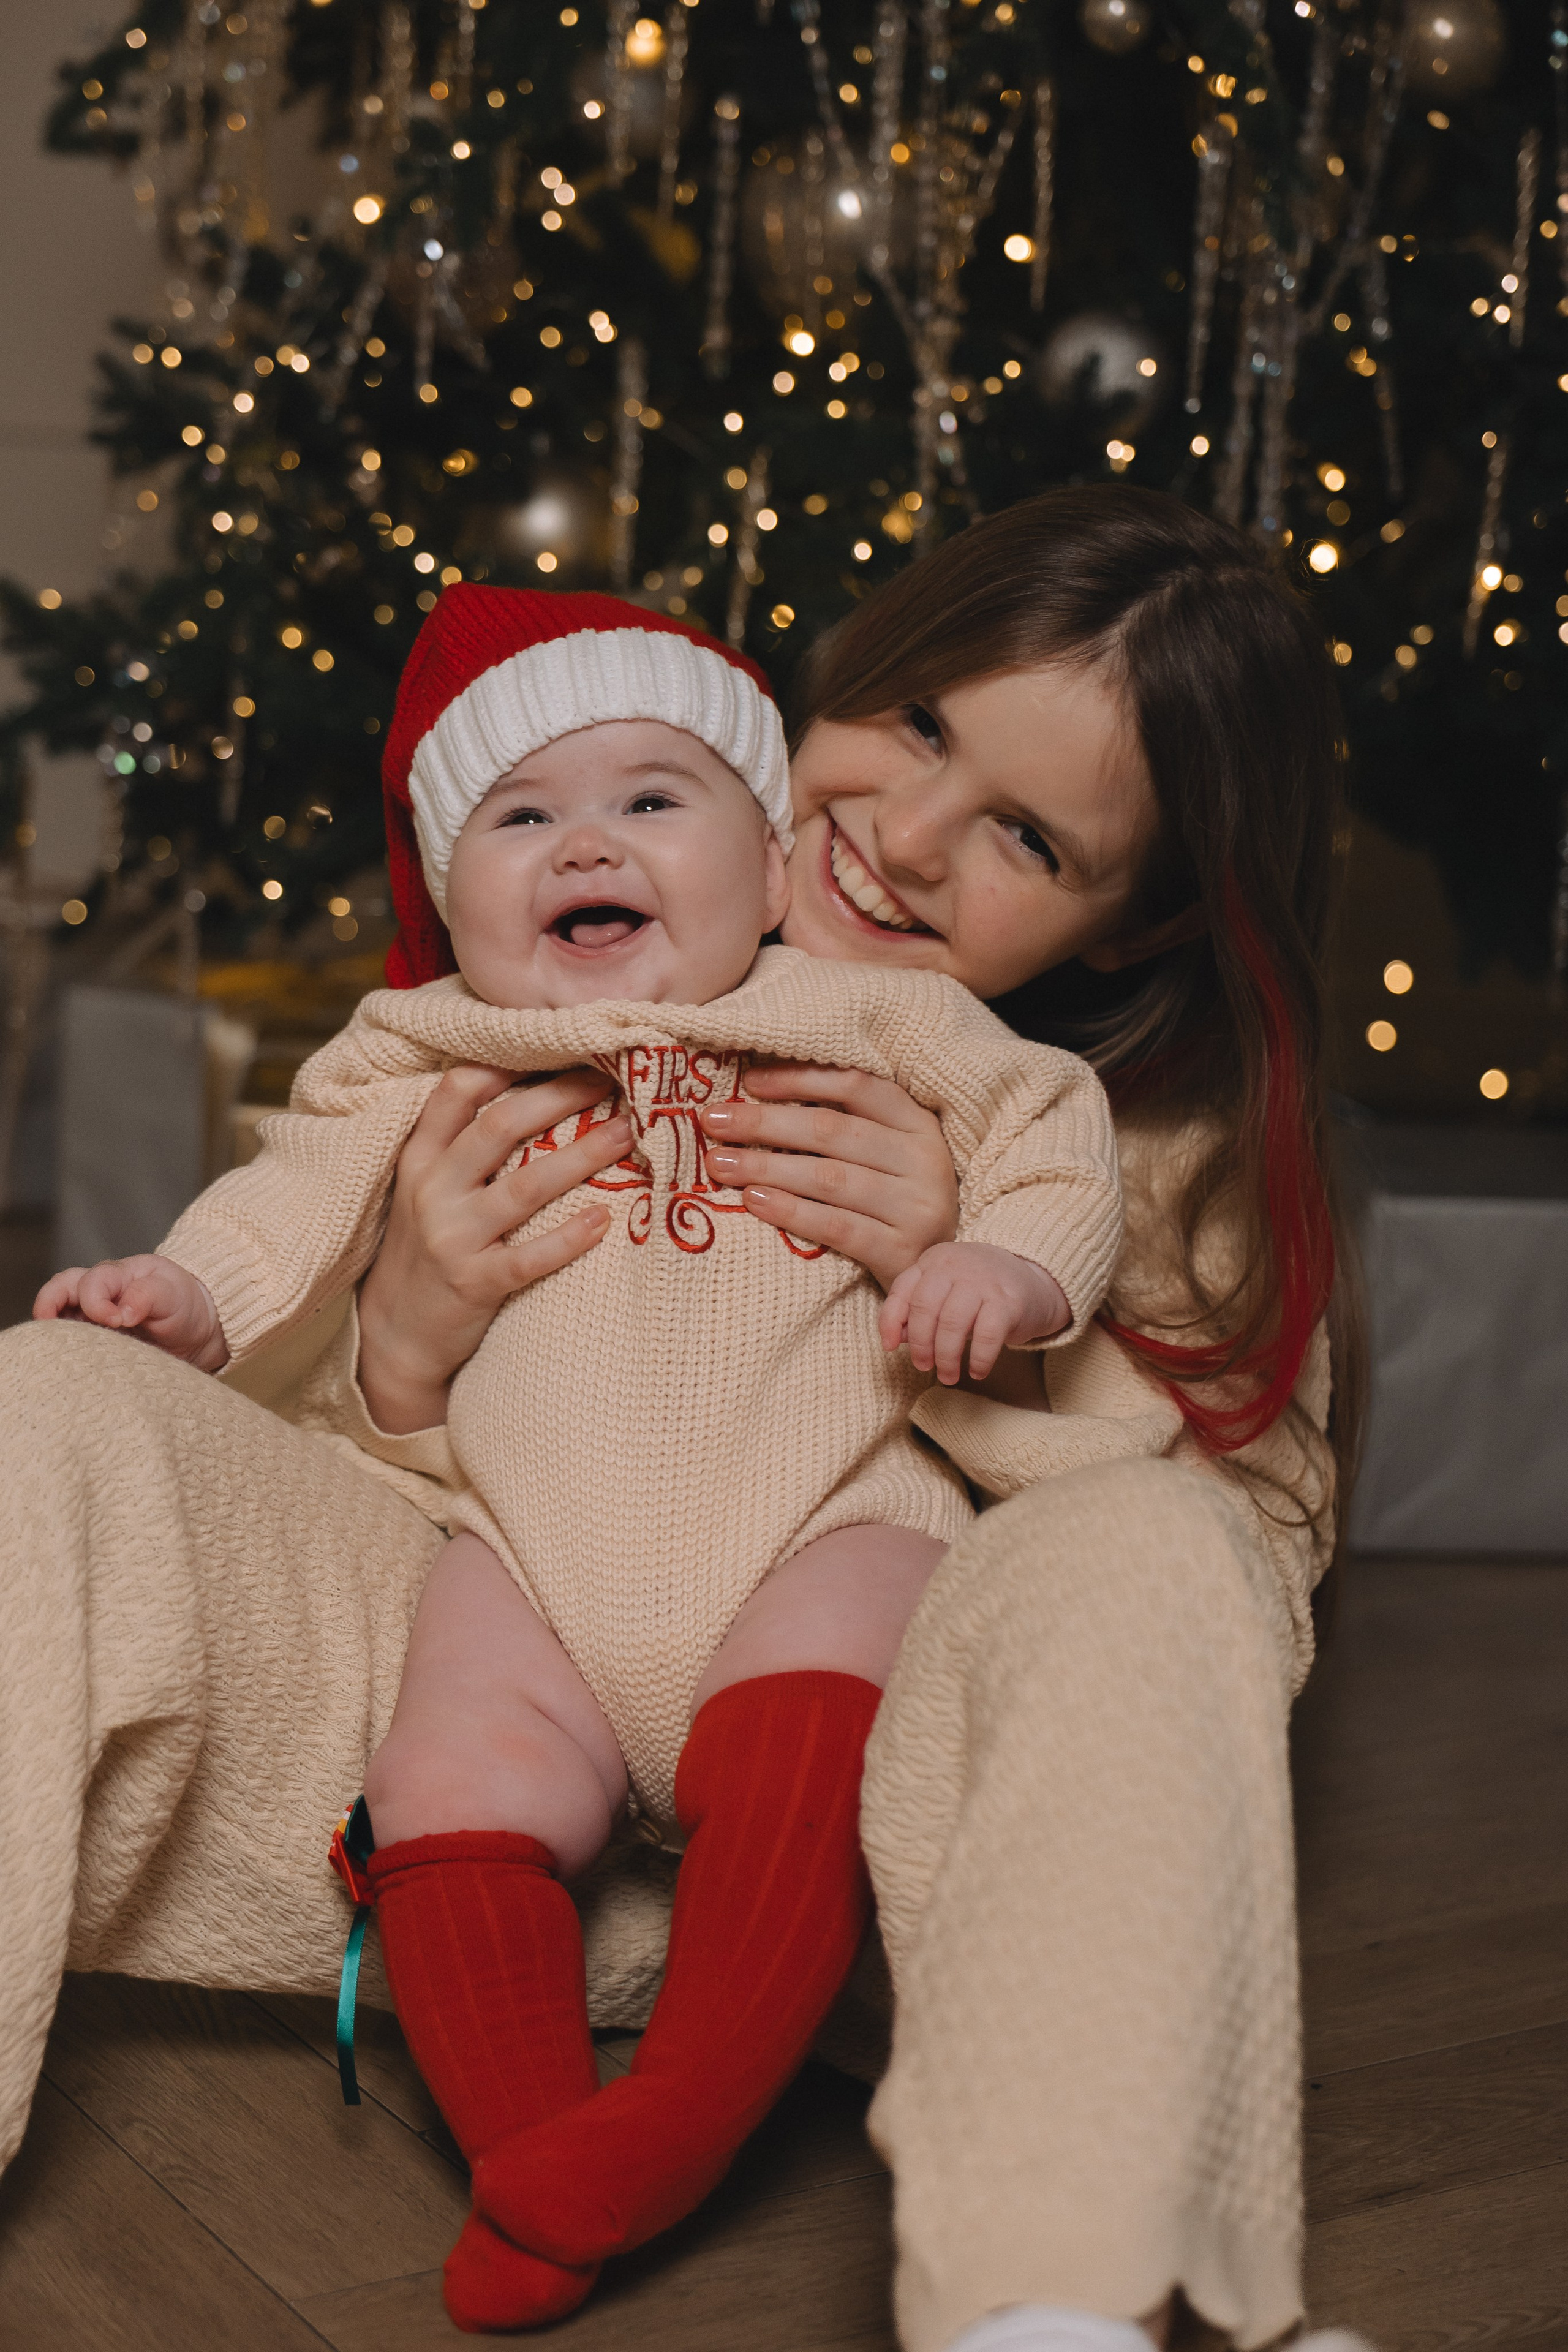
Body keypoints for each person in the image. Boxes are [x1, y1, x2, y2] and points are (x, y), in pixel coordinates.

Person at [1, 486, 1360, 2352]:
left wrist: (974, 1301)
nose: (899, 840)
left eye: (1029, 838)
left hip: (870, 1878)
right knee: (48, 1392)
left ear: (1134, 925)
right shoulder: (511, 989)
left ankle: (1054, 2300)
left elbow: (1233, 1578)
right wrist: (406, 1334)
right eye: (920, 728)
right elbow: (276, 1346)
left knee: (1160, 1536)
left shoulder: (1101, 1125)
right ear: (840, 676)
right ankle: (545, 2115)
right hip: (466, 1793)